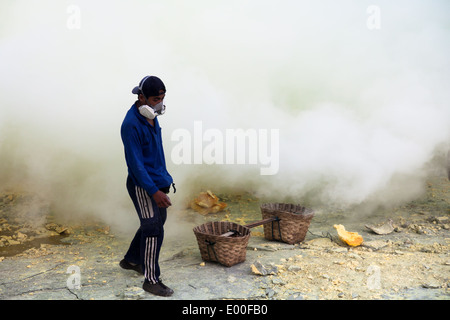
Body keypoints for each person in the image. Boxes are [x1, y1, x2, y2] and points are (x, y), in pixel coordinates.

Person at [119, 75, 175, 297]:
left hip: (158, 180)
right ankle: (151, 280)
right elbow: (136, 165)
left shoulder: (151, 117)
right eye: (155, 98)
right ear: (141, 97)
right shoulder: (131, 124)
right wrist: (154, 191)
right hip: (143, 185)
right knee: (153, 228)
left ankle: (132, 260)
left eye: (162, 98)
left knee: (157, 220)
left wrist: (163, 182)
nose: (159, 103)